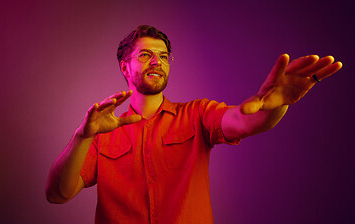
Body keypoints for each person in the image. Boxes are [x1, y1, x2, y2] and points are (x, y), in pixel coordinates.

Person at [46, 25, 342, 224]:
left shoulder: (198, 114)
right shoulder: (101, 131)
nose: (156, 62)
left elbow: (244, 121)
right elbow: (57, 194)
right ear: (125, 66)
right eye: (146, 55)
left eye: (163, 56)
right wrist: (82, 136)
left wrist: (277, 105)